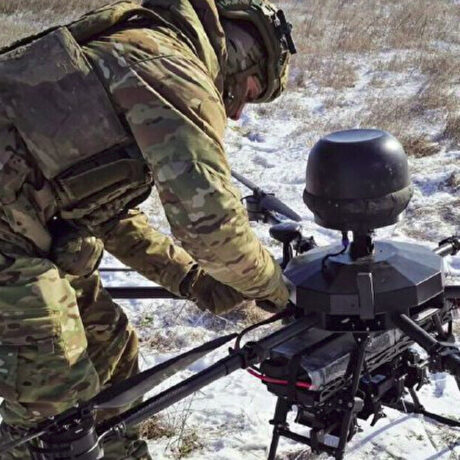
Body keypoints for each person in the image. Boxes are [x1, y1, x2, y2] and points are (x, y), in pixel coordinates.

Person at [0, 0, 294, 458]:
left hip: (19, 227)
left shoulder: (148, 52)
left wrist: (191, 280)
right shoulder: (169, 66)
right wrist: (274, 287)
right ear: (244, 57)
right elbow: (211, 225)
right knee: (55, 401)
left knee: (108, 348)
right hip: (11, 239)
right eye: (252, 92)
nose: (238, 113)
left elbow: (106, 212)